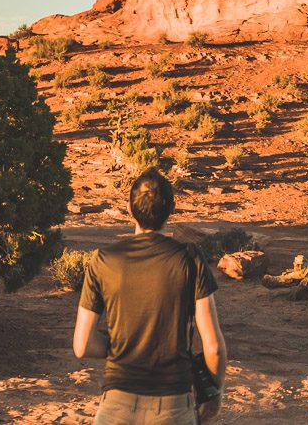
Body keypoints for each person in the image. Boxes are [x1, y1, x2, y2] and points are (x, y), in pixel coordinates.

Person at [73, 167, 228, 424]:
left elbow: (82, 345)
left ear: (129, 209)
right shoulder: (190, 259)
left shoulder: (103, 260)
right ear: (172, 209)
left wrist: (128, 343)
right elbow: (213, 347)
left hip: (116, 404)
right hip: (173, 406)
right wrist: (214, 395)